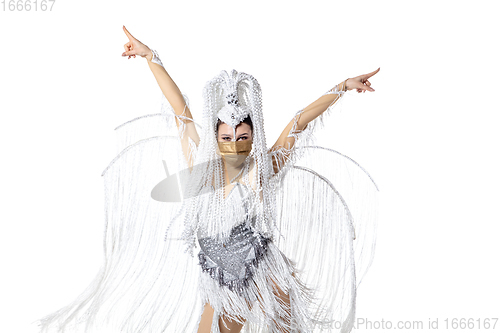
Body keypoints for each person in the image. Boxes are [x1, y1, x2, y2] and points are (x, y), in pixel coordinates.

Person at [37, 26, 379, 333]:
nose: (235, 145)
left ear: (253, 137)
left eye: (243, 138)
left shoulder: (262, 169)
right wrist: (151, 57)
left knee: (287, 328)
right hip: (216, 272)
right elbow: (180, 111)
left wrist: (343, 87)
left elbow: (298, 123)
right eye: (227, 138)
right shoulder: (202, 167)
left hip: (259, 266)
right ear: (217, 138)